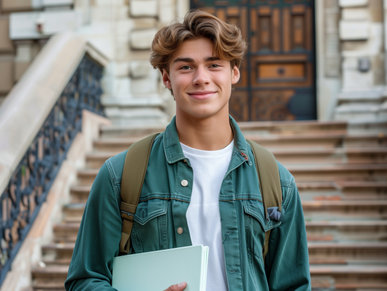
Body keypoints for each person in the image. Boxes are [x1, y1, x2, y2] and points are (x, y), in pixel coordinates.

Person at [65, 10, 311, 291]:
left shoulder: (276, 182)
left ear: (234, 73)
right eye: (185, 67)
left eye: (214, 65)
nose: (201, 78)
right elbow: (85, 280)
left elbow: (293, 286)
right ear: (166, 78)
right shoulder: (119, 176)